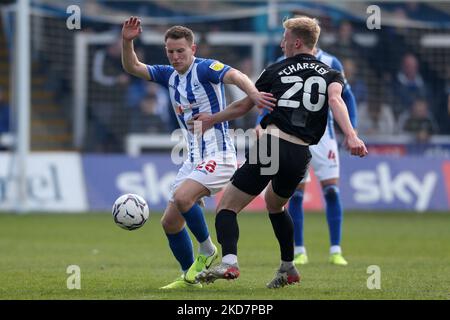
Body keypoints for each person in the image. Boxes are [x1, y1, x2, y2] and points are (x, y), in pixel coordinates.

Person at [193, 16, 368, 288]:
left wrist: (212, 119)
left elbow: (244, 106)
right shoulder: (330, 73)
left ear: (296, 42)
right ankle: (288, 267)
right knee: (276, 205)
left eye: (284, 39)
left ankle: (229, 261)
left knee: (226, 206)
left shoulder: (275, 70)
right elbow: (336, 100)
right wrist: (353, 135)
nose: (281, 43)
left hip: (273, 145)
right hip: (301, 154)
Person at [121, 17, 276, 289]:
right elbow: (132, 66)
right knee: (170, 223)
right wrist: (127, 40)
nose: (175, 56)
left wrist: (255, 95)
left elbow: (237, 76)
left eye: (180, 50)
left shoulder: (205, 69)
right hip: (192, 158)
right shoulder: (168, 75)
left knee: (183, 198)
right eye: (170, 51)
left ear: (193, 49)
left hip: (219, 154)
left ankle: (208, 250)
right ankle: (189, 278)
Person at [255, 46, 360, 266]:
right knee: (296, 194)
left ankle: (335, 250)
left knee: (331, 190)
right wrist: (260, 122)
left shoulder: (331, 62)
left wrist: (353, 129)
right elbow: (269, 98)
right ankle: (299, 250)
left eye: (287, 37)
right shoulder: (281, 61)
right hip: (292, 135)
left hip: (323, 137)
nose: (284, 42)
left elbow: (346, 96)